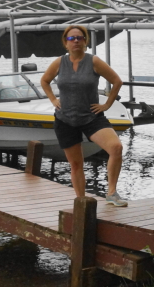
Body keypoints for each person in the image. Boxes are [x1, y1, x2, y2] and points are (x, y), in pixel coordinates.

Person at [40, 25, 128, 207]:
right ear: (66, 43)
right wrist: (53, 99)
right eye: (72, 39)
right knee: (76, 164)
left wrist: (107, 104)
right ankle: (80, 200)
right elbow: (44, 80)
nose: (76, 41)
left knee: (116, 148)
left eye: (80, 38)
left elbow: (117, 81)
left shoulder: (93, 61)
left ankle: (111, 193)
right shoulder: (59, 62)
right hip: (65, 120)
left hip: (91, 118)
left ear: (85, 41)